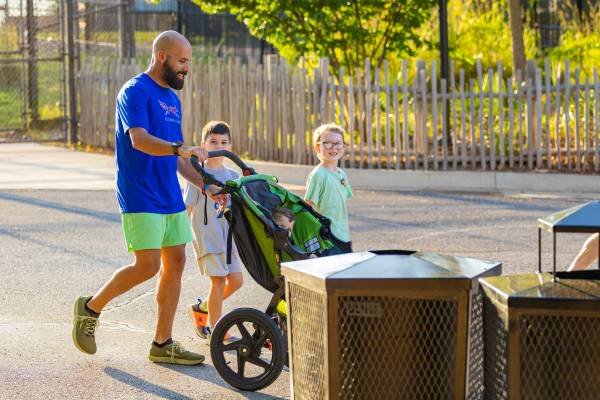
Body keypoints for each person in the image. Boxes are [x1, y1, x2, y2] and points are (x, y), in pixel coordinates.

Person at [72, 31, 217, 365]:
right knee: (147, 265)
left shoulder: (173, 100)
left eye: (189, 62)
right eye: (182, 61)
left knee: (176, 263)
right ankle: (90, 307)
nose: (187, 68)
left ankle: (162, 343)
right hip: (140, 193)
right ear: (162, 55)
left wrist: (206, 186)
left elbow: (178, 157)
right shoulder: (135, 91)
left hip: (169, 194)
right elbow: (139, 140)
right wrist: (178, 148)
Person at [186, 121, 243, 343]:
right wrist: (183, 237)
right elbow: (188, 207)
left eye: (223, 142)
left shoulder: (234, 175)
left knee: (236, 280)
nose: (218, 146)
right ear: (203, 145)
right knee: (218, 281)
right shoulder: (197, 173)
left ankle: (202, 307)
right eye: (213, 142)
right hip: (207, 234)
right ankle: (218, 331)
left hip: (229, 236)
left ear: (230, 146)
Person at [304, 123, 353, 253]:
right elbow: (307, 207)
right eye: (327, 143)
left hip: (343, 235)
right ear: (317, 147)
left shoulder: (342, 174)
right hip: (327, 236)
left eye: (338, 143)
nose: (333, 147)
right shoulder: (318, 175)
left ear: (343, 146)